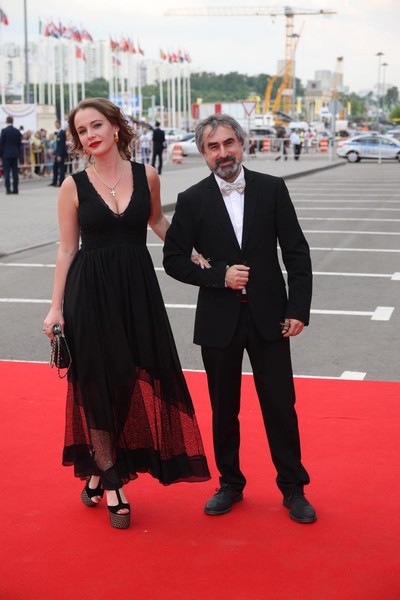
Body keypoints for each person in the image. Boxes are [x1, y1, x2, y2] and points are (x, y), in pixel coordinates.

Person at [43, 98, 210, 530]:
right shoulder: (72, 185)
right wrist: (56, 307)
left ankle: (98, 472)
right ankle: (114, 481)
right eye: (82, 131)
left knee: (132, 378)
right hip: (90, 293)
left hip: (137, 292)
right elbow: (67, 249)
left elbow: (157, 222)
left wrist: (191, 252)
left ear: (116, 127)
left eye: (96, 125)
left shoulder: (147, 175)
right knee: (98, 381)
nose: (90, 135)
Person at [163, 114, 316, 524]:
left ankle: (293, 488)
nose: (223, 152)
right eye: (213, 147)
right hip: (219, 320)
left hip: (271, 318)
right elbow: (173, 260)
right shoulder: (192, 199)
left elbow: (297, 253)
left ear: (242, 144)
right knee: (224, 408)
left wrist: (297, 309)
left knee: (280, 406)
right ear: (203, 154)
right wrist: (219, 276)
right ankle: (230, 483)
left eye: (229, 143)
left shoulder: (272, 188)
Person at [0, 115, 22, 194]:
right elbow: (19, 144)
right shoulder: (17, 131)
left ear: (6, 121)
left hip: (6, 154)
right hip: (15, 154)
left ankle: (8, 189)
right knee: (15, 173)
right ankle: (15, 189)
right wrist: (17, 151)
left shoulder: (4, 131)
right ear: (12, 121)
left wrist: (1, 154)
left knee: (7, 173)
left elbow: (1, 143)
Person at [49, 119, 67, 186]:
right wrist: (55, 154)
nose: (56, 126)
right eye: (55, 124)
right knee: (55, 168)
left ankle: (61, 182)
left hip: (60, 154)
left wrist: (59, 155)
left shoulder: (62, 133)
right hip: (57, 153)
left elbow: (62, 145)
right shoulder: (57, 133)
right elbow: (57, 145)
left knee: (61, 169)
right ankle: (54, 182)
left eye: (57, 124)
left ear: (60, 125)